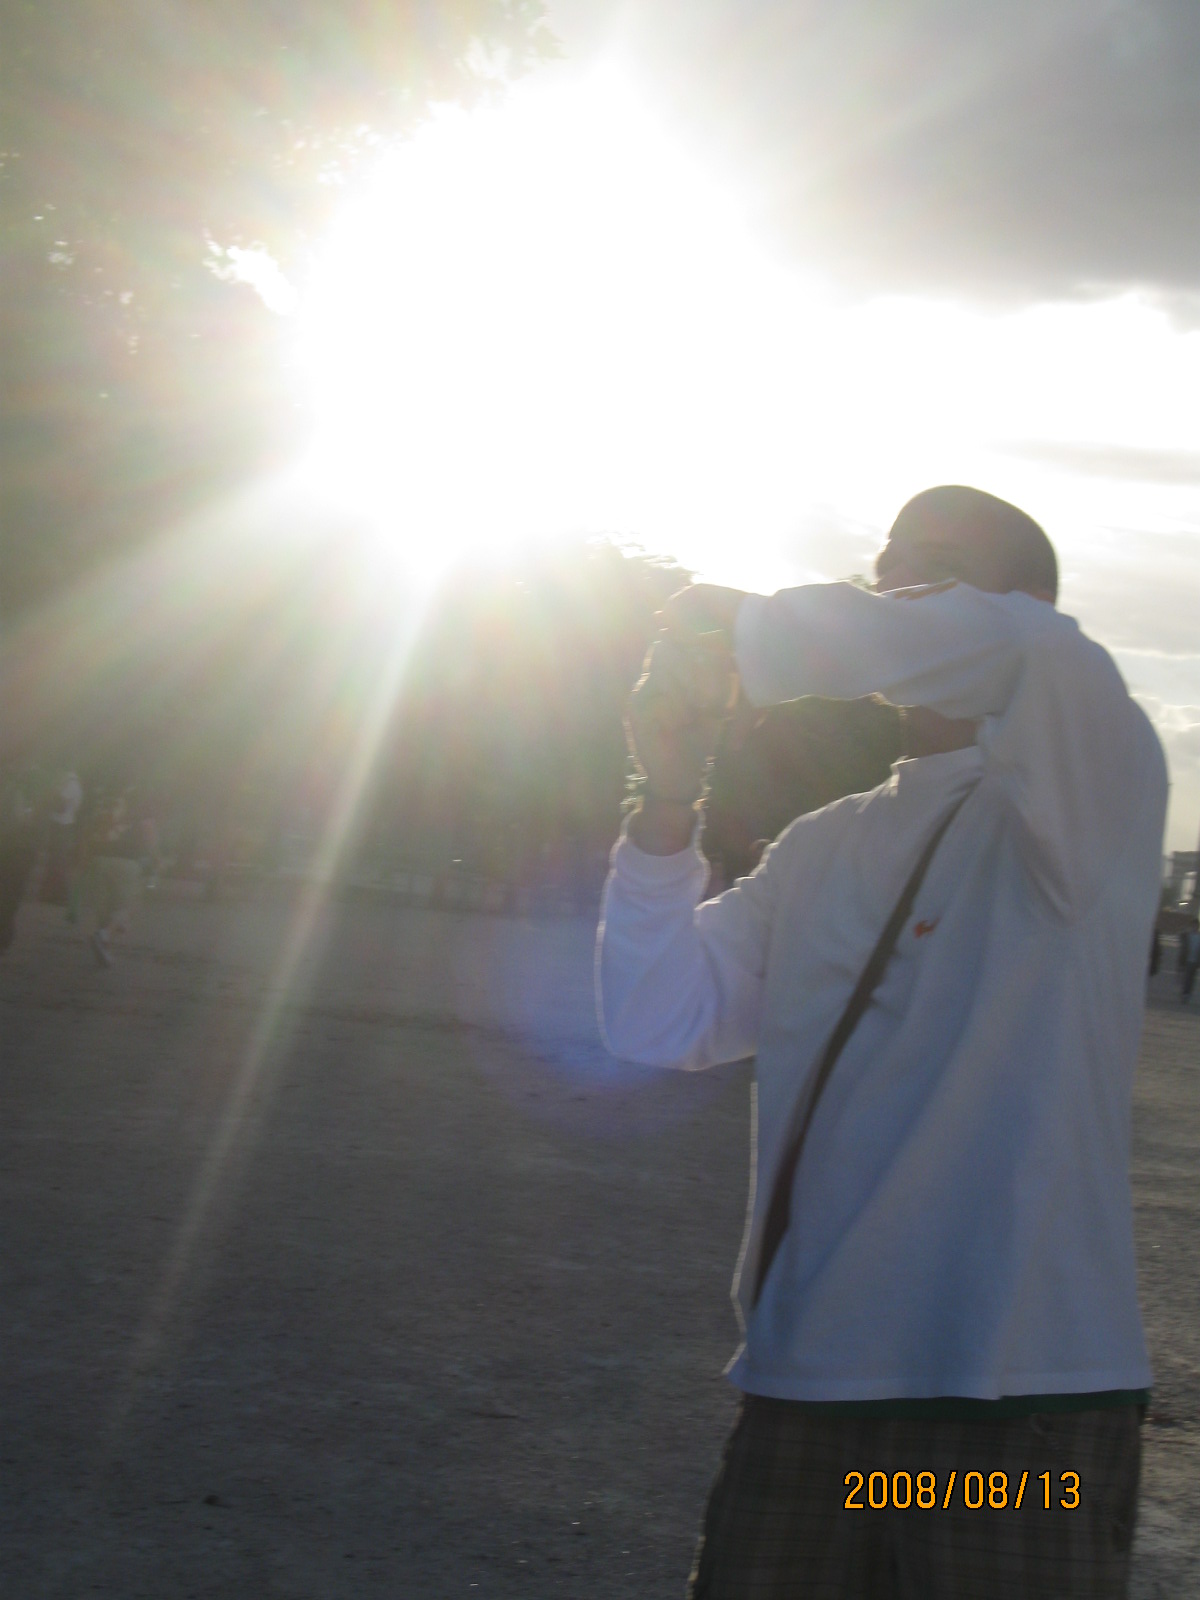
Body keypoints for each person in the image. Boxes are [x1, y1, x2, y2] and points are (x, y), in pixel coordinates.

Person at [597, 485, 1166, 1598]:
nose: (894, 583)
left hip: (1016, 1405)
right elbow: (658, 1015)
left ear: (1013, 606)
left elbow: (1019, 654)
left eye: (936, 568)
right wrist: (667, 800)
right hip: (809, 1393)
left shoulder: (1092, 783)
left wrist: (745, 624)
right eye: (886, 564)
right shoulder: (828, 843)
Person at [1179, 918, 1200, 1003]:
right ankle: (1185, 994)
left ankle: (1187, 994)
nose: (1194, 927)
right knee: (1187, 978)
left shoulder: (1198, 936)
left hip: (1195, 962)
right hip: (1188, 961)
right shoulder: (1187, 935)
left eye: (1196, 926)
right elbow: (1181, 936)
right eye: (1193, 925)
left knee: (1191, 979)